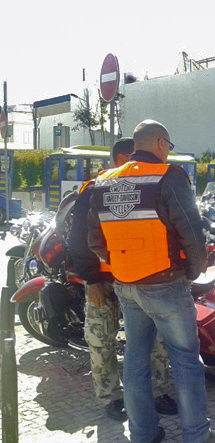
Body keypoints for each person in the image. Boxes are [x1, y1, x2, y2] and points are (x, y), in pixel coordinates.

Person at [88, 120, 215, 443]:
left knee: (135, 360)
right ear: (161, 143)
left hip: (127, 285)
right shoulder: (169, 177)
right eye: (169, 146)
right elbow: (191, 231)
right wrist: (193, 271)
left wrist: (121, 264)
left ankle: (142, 435)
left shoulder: (103, 182)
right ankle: (196, 436)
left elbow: (94, 239)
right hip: (165, 282)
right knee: (185, 358)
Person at [68, 137, 177, 422]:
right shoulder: (96, 188)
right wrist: (91, 280)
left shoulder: (149, 184)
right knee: (102, 338)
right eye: (134, 157)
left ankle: (157, 392)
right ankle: (111, 397)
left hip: (143, 278)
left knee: (156, 339)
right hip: (104, 281)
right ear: (121, 159)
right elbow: (79, 239)